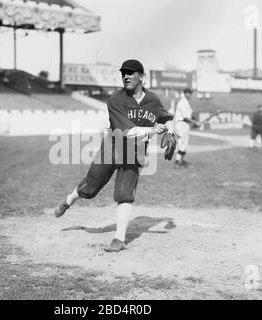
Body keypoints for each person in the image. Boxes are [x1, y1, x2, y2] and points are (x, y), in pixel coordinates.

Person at [54, 59, 176, 252]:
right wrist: (152, 130)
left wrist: (169, 133)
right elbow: (126, 132)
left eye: (131, 73)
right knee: (91, 188)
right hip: (113, 146)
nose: (126, 76)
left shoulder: (153, 100)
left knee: (124, 194)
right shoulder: (115, 100)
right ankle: (69, 200)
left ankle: (119, 240)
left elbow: (166, 119)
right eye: (123, 73)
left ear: (142, 77)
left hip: (135, 152)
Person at [170, 88, 199, 167]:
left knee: (185, 144)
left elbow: (189, 116)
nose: (190, 95)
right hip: (181, 125)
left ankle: (182, 161)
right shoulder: (182, 102)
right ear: (186, 93)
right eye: (189, 93)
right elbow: (185, 118)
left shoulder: (186, 102)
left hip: (185, 125)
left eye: (191, 93)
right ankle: (177, 163)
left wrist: (194, 123)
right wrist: (194, 123)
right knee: (181, 144)